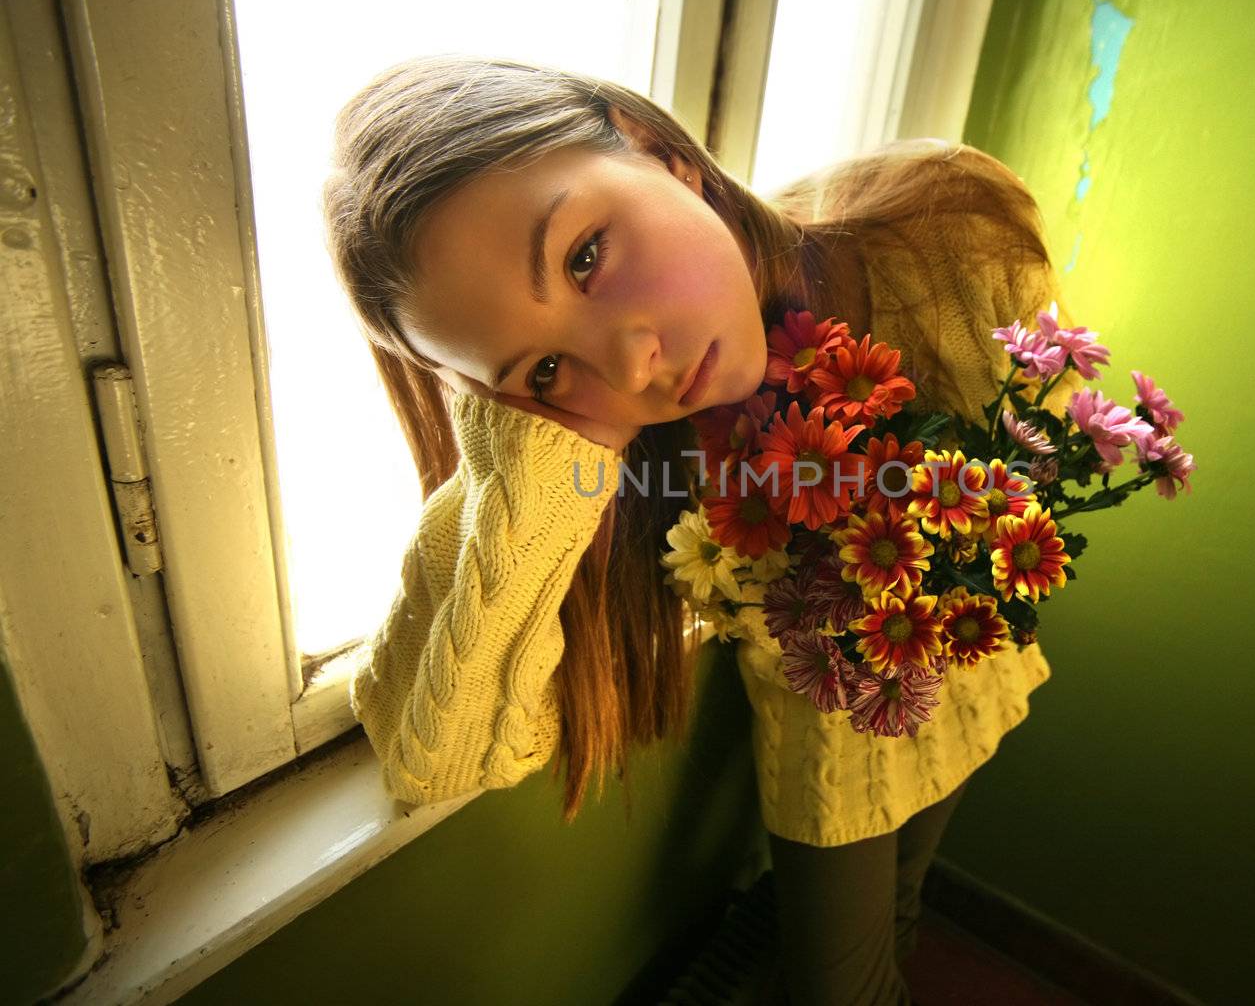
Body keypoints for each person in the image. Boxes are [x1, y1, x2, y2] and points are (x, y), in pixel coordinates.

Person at [325, 55, 1079, 1005]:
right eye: (544, 368)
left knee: (903, 905)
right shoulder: (586, 456)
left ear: (653, 148)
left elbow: (1046, 441)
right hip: (825, 744)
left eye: (585, 256)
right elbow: (441, 757)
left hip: (972, 662)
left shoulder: (941, 235)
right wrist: (531, 438)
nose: (632, 361)